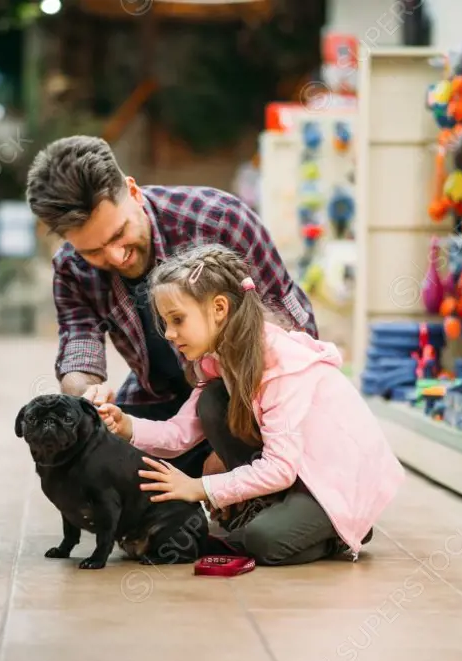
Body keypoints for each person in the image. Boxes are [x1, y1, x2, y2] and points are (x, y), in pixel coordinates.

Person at [26, 135, 317, 479]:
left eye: (119, 234)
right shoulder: (71, 268)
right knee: (99, 461)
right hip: (163, 398)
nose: (116, 257)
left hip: (249, 394)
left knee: (221, 428)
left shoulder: (219, 220)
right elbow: (79, 346)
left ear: (133, 192)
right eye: (94, 252)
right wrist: (85, 397)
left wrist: (230, 451)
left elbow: (293, 335)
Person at [97, 244, 406, 565]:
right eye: (165, 323)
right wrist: (126, 425)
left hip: (335, 480)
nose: (170, 334)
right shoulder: (218, 360)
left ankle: (341, 531)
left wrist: (199, 488)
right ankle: (277, 511)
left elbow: (280, 469)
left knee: (262, 541)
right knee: (212, 403)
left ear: (219, 308)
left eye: (177, 320)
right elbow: (180, 434)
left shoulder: (279, 365)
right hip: (298, 469)